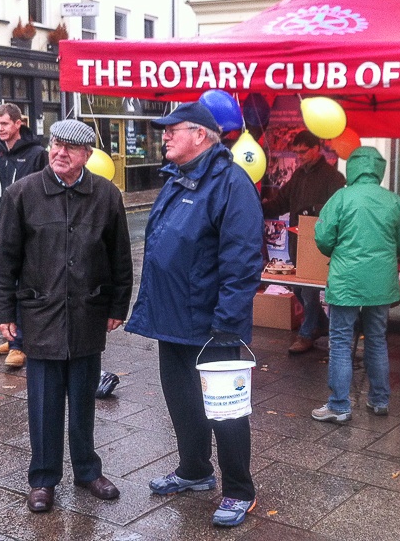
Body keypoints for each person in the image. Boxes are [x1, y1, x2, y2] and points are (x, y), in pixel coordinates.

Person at [125, 102, 263, 528]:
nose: (164, 136)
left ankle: (240, 490)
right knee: (183, 404)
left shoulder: (231, 183)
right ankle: (194, 470)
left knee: (224, 409)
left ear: (201, 135)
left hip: (212, 326)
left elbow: (242, 260)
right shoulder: (176, 178)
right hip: (173, 320)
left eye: (172, 130)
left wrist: (227, 322)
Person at [0, 119, 133, 513]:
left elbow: (120, 256)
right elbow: (3, 260)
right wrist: (3, 311)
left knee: (84, 400)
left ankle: (88, 471)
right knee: (44, 404)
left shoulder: (105, 195)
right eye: (55, 144)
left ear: (87, 155)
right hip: (41, 315)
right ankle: (43, 479)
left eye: (70, 147)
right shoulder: (22, 194)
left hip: (88, 313)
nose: (59, 152)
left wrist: (118, 306)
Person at [310, 147, 400, 423]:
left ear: (352, 168)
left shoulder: (341, 197)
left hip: (345, 281)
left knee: (342, 343)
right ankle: (380, 400)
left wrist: (337, 251)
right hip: (380, 283)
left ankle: (339, 405)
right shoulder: (393, 201)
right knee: (377, 340)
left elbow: (322, 238)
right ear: (379, 170)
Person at [0, 103, 47, 368]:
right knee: (2, 281)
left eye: (4, 124)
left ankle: (20, 344)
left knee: (24, 284)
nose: (0, 129)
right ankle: (12, 333)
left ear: (18, 123)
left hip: (28, 229)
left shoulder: (37, 154)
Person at [261, 129, 345, 353]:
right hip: (297, 241)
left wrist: (313, 211)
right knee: (298, 288)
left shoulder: (334, 177)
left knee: (308, 291)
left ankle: (306, 333)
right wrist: (261, 206)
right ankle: (323, 325)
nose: (300, 156)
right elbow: (282, 202)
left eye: (304, 152)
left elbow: (338, 209)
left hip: (319, 242)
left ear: (317, 149)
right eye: (296, 152)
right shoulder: (299, 175)